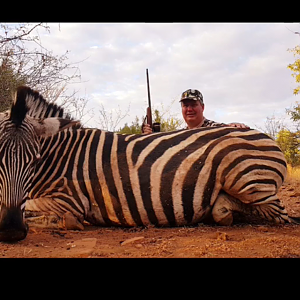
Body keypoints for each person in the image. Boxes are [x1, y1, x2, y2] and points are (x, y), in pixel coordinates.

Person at [142, 89, 249, 134]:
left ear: (202, 107)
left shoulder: (215, 128)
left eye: (193, 105)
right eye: (185, 105)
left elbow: (228, 128)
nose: (189, 109)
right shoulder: (180, 134)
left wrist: (235, 126)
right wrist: (149, 137)